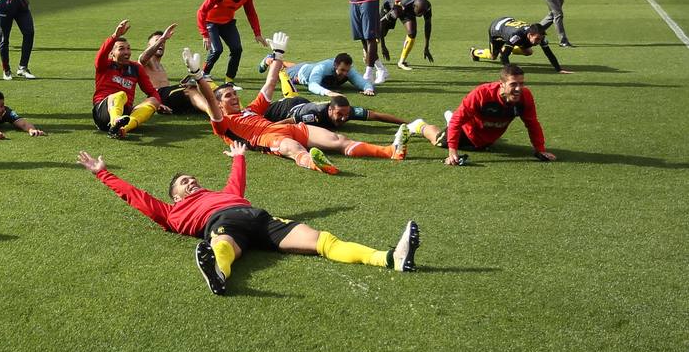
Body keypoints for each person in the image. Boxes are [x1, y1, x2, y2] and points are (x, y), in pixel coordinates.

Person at [77, 142, 420, 295]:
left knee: (322, 240)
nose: (191, 181)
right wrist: (103, 174)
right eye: (184, 182)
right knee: (222, 244)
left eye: (191, 178)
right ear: (176, 196)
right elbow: (136, 198)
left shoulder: (226, 193)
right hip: (223, 225)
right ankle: (219, 273)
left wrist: (239, 158)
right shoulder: (171, 212)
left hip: (260, 218)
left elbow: (236, 183)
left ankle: (389, 258)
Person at [193, 43, 404, 174]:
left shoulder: (251, 110)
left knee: (339, 140)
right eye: (229, 96)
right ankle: (315, 163)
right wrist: (199, 76)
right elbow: (210, 102)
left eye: (235, 94)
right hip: (267, 140)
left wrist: (277, 54)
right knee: (295, 150)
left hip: (290, 128)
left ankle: (390, 152)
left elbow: (271, 82)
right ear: (220, 104)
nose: (234, 98)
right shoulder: (222, 124)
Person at [406, 64, 557, 166]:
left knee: (464, 130)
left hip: (486, 139)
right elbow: (459, 121)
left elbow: (532, 123)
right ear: (501, 84)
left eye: (521, 83)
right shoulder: (481, 94)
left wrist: (540, 149)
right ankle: (419, 125)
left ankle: (451, 120)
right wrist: (452, 152)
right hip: (467, 131)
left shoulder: (525, 97)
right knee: (439, 141)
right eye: (513, 84)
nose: (519, 88)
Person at [93, 20, 169, 139]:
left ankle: (122, 129)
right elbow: (100, 56)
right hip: (103, 113)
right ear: (112, 53)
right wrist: (115, 36)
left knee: (153, 100)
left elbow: (151, 91)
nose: (126, 52)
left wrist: (158, 103)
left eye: (128, 48)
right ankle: (115, 121)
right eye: (121, 49)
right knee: (120, 95)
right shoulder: (104, 65)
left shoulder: (136, 68)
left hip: (125, 115)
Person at [195, 0, 265, 83]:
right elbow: (201, 11)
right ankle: (204, 74)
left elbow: (251, 13)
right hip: (211, 22)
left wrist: (257, 33)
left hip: (227, 22)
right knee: (217, 50)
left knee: (237, 49)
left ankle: (229, 80)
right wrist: (205, 34)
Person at [264, 93, 438, 138]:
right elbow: (288, 122)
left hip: (300, 101)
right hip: (284, 109)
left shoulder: (347, 111)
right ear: (330, 110)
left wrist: (409, 123)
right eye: (340, 114)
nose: (343, 118)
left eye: (346, 115)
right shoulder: (313, 115)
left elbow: (376, 116)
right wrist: (267, 130)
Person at [139, 23, 209, 115]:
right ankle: (214, 112)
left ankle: (214, 108)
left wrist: (181, 84)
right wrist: (162, 39)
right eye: (157, 41)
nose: (161, 44)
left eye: (163, 42)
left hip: (168, 95)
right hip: (158, 96)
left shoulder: (160, 66)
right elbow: (143, 58)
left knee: (201, 86)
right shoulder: (146, 61)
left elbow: (168, 89)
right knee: (190, 89)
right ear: (149, 45)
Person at [470, 17, 572, 73]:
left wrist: (559, 69)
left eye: (540, 39)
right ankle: (474, 52)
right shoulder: (517, 36)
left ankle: (508, 46)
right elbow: (504, 56)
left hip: (508, 23)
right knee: (493, 56)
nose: (538, 42)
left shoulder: (539, 36)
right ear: (530, 34)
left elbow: (549, 53)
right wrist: (510, 70)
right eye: (536, 39)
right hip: (496, 29)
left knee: (528, 52)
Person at [270, 53, 376, 97]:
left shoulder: (349, 70)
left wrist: (368, 89)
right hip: (300, 73)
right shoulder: (322, 67)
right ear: (335, 65)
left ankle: (281, 61)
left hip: (309, 67)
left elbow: (361, 81)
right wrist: (328, 93)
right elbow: (312, 85)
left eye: (347, 71)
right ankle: (269, 59)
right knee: (279, 73)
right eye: (342, 70)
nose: (345, 74)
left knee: (294, 65)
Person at [379, 0, 433, 71]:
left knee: (412, 33)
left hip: (407, 9)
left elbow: (428, 25)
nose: (421, 16)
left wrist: (426, 47)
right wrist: (383, 46)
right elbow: (381, 25)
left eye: (422, 14)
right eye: (419, 14)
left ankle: (401, 62)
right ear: (414, 6)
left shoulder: (427, 6)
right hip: (391, 4)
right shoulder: (400, 5)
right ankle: (366, 50)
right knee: (381, 33)